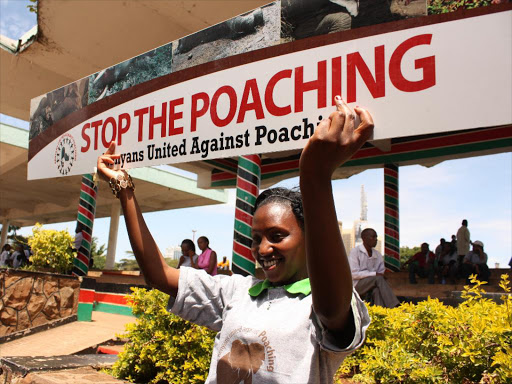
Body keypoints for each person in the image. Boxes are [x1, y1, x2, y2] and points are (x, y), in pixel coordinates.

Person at [96, 96, 373, 383]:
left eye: (278, 236)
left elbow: (331, 310)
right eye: (256, 238)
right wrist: (123, 187)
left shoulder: (322, 301)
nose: (263, 249)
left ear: (310, 240)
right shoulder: (236, 292)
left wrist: (315, 175)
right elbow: (158, 274)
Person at [348, 228, 399, 308]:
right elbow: (353, 274)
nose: (376, 239)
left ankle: (380, 313)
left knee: (377, 290)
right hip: (356, 286)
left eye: (376, 237)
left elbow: (381, 273)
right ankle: (395, 306)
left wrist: (378, 275)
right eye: (373, 237)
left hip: (373, 284)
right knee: (378, 279)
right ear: (364, 238)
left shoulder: (377, 254)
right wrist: (374, 274)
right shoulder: (355, 252)